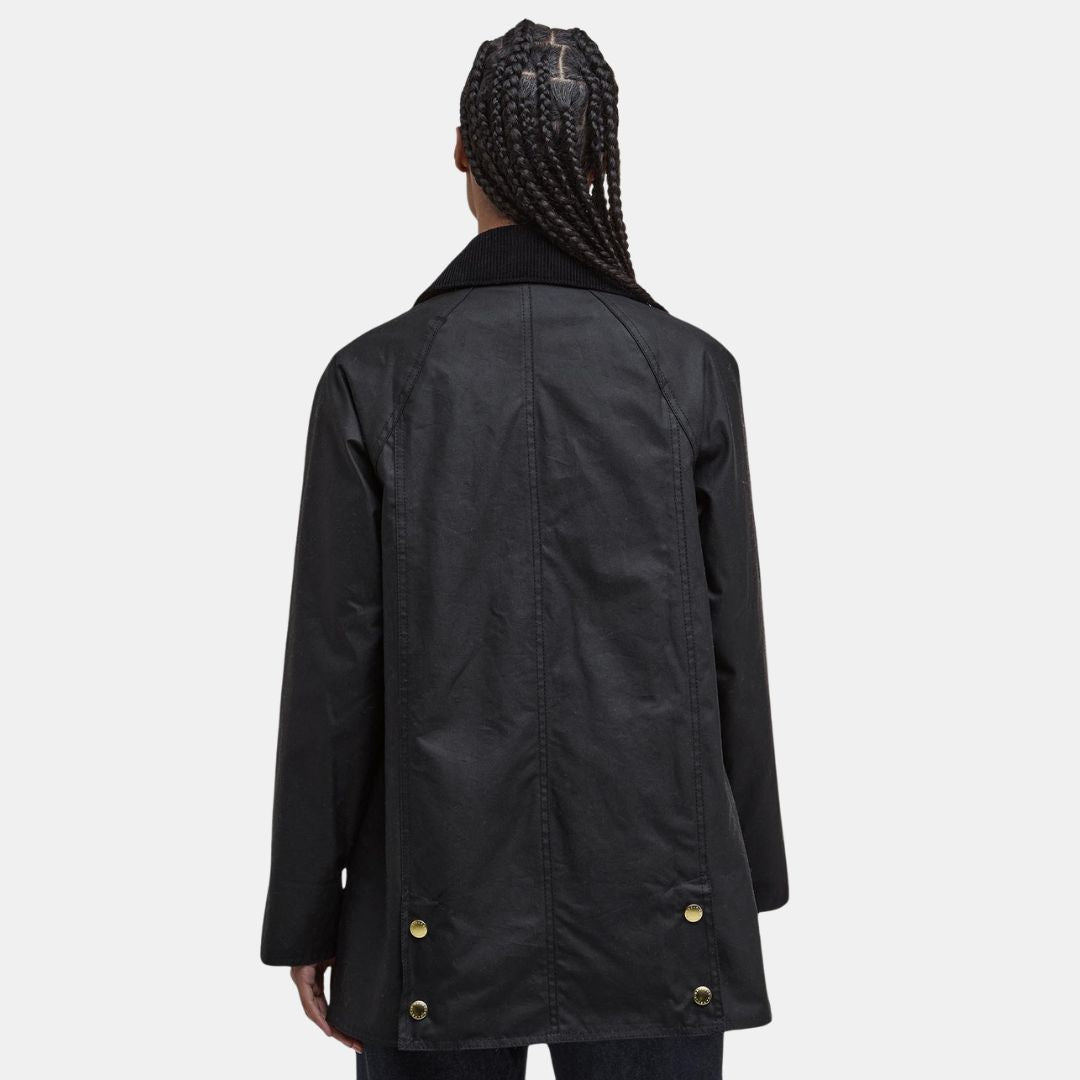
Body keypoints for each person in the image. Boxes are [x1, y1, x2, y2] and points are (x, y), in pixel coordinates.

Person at [260, 18, 788, 1080]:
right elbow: (733, 649)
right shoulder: (690, 373)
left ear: (460, 148)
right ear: (601, 159)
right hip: (663, 893)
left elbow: (331, 674)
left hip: (431, 900)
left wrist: (309, 913)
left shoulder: (372, 378)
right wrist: (749, 881)